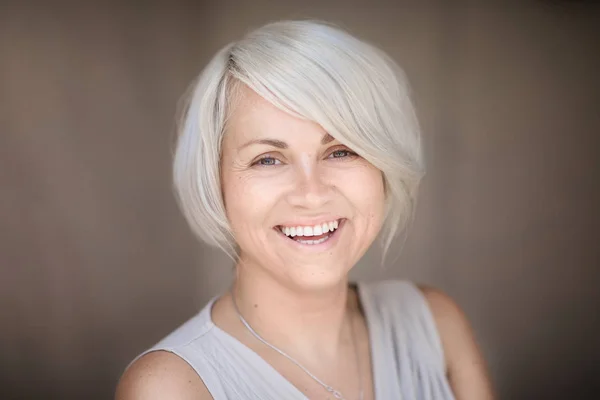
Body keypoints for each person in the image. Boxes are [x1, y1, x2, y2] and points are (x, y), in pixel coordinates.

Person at [116, 20, 494, 400]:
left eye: (341, 150)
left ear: (383, 167)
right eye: (267, 159)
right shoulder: (170, 387)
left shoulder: (435, 323)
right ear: (216, 184)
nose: (311, 194)